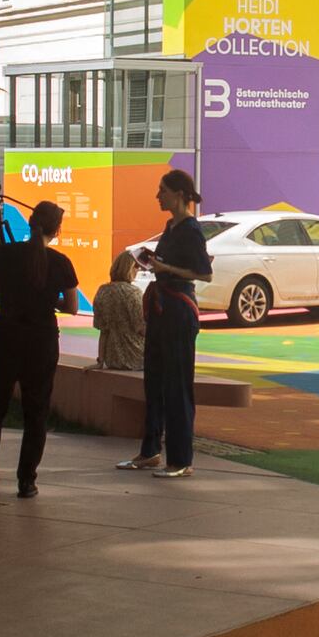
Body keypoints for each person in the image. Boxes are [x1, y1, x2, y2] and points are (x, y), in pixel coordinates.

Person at [0, 198, 80, 498]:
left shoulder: (5, 254)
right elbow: (72, 307)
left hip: (5, 337)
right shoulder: (60, 262)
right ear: (56, 230)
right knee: (36, 412)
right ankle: (26, 480)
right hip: (41, 342)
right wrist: (46, 300)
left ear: (31, 223)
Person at [125, 166, 209, 478]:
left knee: (177, 385)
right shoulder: (171, 227)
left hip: (178, 309)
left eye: (162, 190)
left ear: (179, 195)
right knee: (155, 380)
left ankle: (181, 458)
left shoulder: (190, 230)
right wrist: (155, 263)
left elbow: (203, 273)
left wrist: (167, 268)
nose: (157, 196)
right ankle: (150, 451)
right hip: (161, 308)